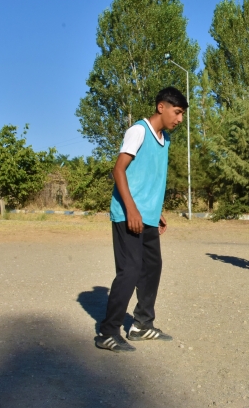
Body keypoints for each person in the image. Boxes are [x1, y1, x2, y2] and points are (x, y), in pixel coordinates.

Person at [96, 87, 188, 353]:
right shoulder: (138, 131)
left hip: (147, 215)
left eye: (182, 114)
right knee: (131, 269)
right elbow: (119, 169)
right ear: (162, 107)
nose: (180, 119)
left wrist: (154, 211)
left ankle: (141, 325)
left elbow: (149, 177)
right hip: (128, 214)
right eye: (177, 112)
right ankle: (108, 332)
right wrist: (133, 210)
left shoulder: (166, 139)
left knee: (152, 267)